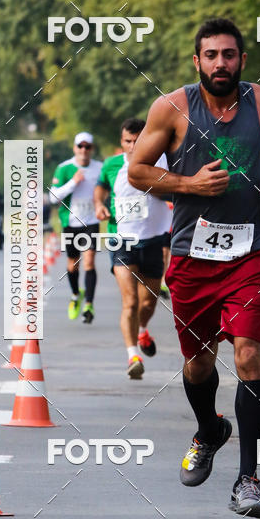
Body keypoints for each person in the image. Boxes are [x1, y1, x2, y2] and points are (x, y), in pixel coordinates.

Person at [128, 17, 260, 519]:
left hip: (251, 252)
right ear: (196, 60)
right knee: (199, 364)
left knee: (247, 357)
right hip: (192, 256)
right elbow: (137, 170)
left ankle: (248, 479)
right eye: (211, 55)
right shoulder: (173, 108)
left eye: (229, 54)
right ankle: (209, 429)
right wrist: (189, 185)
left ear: (242, 59)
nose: (221, 62)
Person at [94, 118, 171, 379]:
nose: (132, 145)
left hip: (153, 239)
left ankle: (142, 330)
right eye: (128, 141)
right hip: (121, 238)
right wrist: (99, 205)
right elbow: (101, 187)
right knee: (131, 301)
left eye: (138, 140)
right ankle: (133, 355)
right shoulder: (112, 164)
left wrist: (156, 186)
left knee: (148, 302)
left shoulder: (162, 161)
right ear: (122, 142)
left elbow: (174, 191)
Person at [49, 132, 103, 324]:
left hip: (91, 222)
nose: (83, 150)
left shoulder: (100, 168)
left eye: (87, 147)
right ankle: (75, 295)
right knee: (73, 264)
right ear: (74, 148)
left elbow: (109, 190)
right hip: (70, 223)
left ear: (92, 149)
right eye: (80, 146)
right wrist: (73, 182)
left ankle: (88, 304)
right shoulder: (64, 168)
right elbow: (53, 198)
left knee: (89, 261)